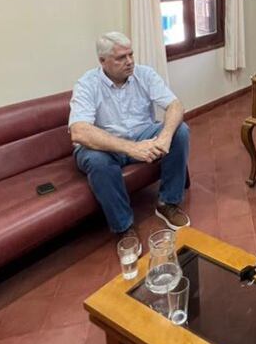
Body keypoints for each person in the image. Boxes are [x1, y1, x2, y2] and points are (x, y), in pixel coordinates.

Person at [69, 32, 190, 243]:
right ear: (103, 61)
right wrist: (131, 148)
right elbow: (79, 131)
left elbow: (175, 105)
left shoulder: (144, 75)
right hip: (106, 146)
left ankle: (168, 203)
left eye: (131, 54)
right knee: (97, 161)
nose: (130, 61)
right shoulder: (87, 84)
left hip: (142, 135)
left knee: (180, 131)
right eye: (121, 58)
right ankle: (123, 227)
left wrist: (164, 138)